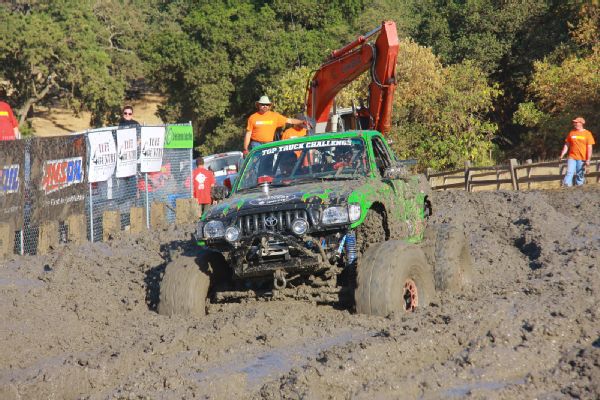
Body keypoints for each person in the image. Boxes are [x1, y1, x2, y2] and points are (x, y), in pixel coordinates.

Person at [243, 95, 309, 154]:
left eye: (267, 104)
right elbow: (248, 133)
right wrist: (245, 148)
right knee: (256, 166)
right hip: (256, 144)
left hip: (269, 144)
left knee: (267, 165)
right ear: (258, 105)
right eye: (263, 104)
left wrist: (302, 122)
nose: (265, 106)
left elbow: (290, 120)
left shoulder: (275, 116)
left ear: (269, 106)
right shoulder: (253, 117)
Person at [559, 116, 595, 187]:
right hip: (572, 157)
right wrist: (562, 154)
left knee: (580, 174)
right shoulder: (572, 133)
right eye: (574, 122)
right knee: (569, 172)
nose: (574, 124)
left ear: (581, 123)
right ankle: (566, 186)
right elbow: (567, 144)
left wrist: (588, 159)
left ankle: (579, 187)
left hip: (582, 158)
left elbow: (589, 148)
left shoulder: (587, 134)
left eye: (576, 122)